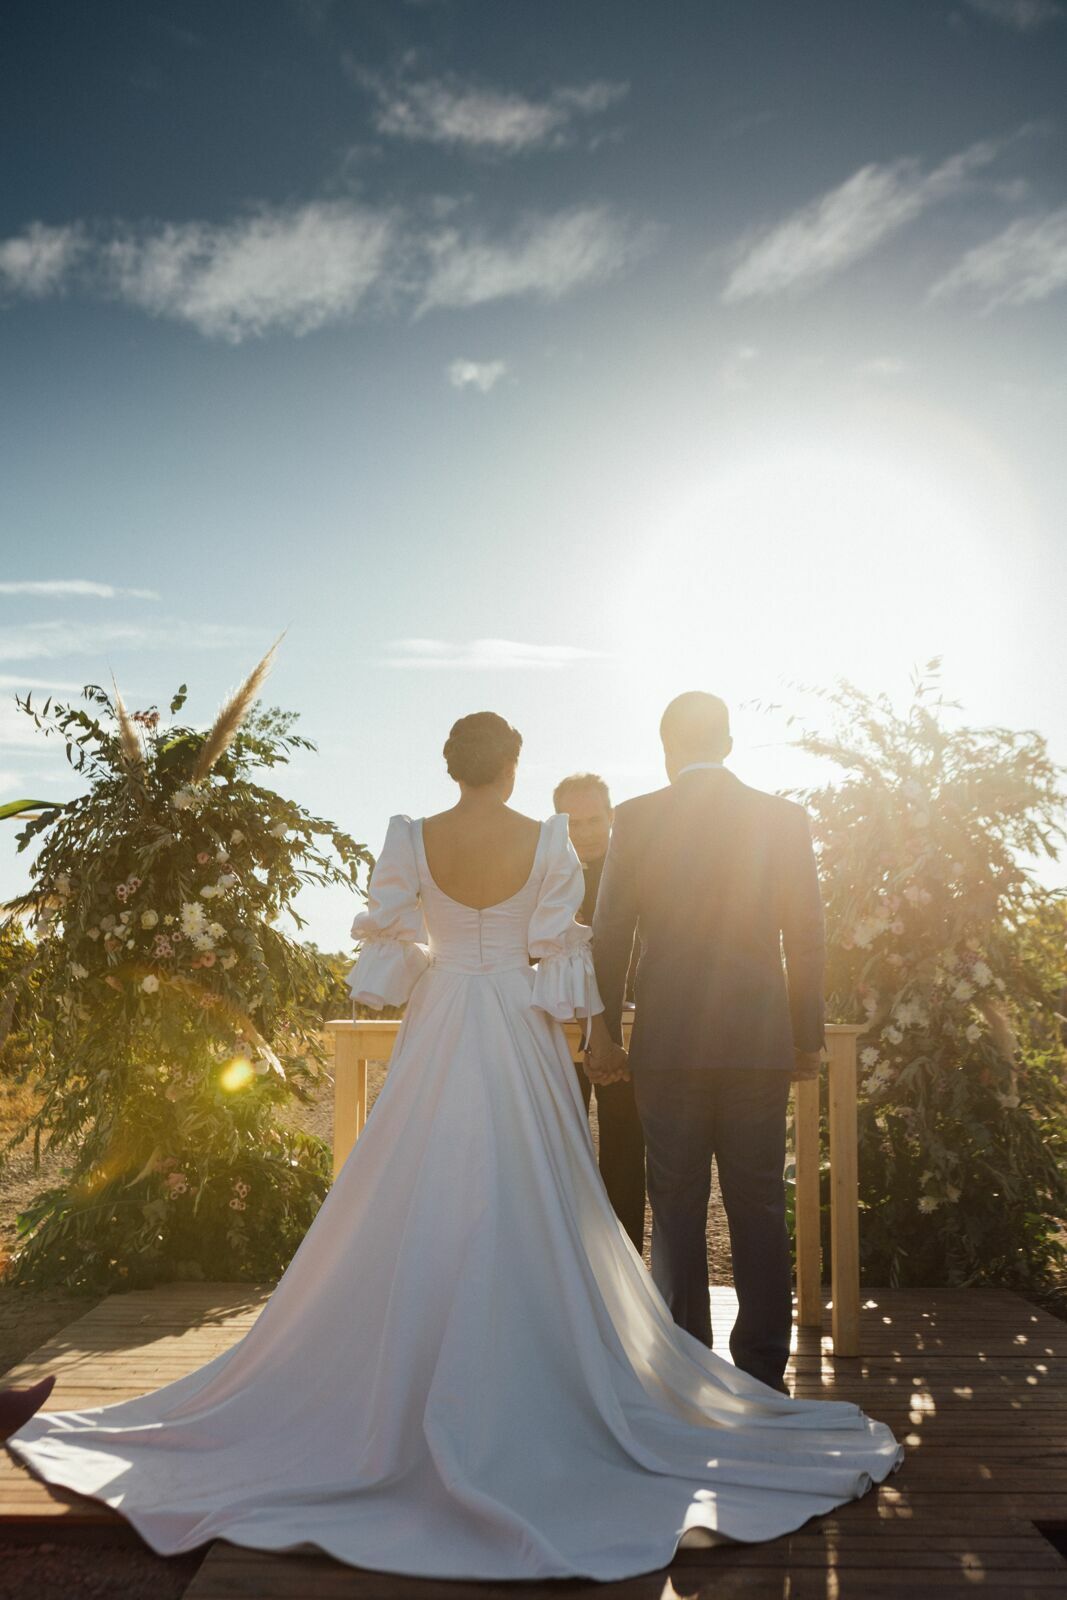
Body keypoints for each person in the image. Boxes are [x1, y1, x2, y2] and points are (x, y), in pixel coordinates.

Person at [7, 712, 900, 1583]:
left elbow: (393, 951)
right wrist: (593, 1028)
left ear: (452, 768)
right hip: (521, 1022)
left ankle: (429, 1352)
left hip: (443, 1022)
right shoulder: (550, 839)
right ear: (510, 768)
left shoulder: (411, 835)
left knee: (416, 1187)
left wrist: (436, 976)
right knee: (554, 1192)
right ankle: (652, 1370)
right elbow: (566, 950)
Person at [587, 692, 824, 1394]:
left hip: (669, 1039)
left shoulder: (635, 819)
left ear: (667, 748)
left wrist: (601, 1026)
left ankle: (683, 1364)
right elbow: (805, 935)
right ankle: (759, 1373)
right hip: (758, 1041)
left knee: (678, 1201)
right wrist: (804, 1035)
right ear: (727, 742)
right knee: (757, 1203)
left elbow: (609, 934)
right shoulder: (781, 818)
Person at [552, 772, 645, 1250]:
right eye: (572, 822)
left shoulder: (638, 871)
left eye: (594, 820)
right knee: (559, 1152)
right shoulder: (544, 878)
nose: (585, 831)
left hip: (626, 1033)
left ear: (611, 818)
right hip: (559, 1034)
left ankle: (627, 1275)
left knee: (627, 1155)